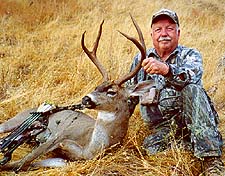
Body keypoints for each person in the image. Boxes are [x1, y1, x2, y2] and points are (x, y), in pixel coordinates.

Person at [127, 8, 224, 175]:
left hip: (194, 122)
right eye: (158, 29)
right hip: (164, 128)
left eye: (169, 28)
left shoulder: (190, 55)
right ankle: (191, 145)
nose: (164, 33)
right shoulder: (140, 60)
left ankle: (211, 160)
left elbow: (190, 77)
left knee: (192, 89)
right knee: (149, 147)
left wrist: (166, 70)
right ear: (152, 35)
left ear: (178, 33)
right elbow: (128, 98)